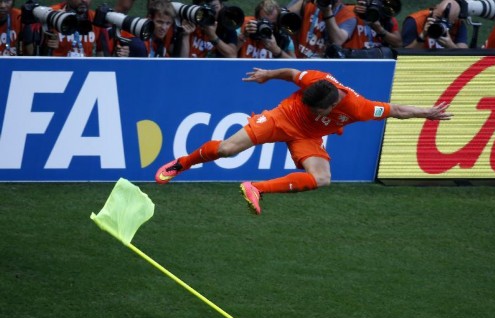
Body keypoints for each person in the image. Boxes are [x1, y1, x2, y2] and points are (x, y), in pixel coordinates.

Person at [155, 68, 452, 215]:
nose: (313, 110)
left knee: (322, 179)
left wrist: (427, 112)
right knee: (227, 149)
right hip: (282, 117)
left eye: (317, 109)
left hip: (309, 136)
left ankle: (255, 187)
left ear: (331, 106)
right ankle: (181, 164)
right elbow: (293, 73)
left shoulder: (359, 107)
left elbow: (396, 110)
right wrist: (267, 75)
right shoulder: (318, 79)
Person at [287, 0, 356, 58]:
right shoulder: (308, 4)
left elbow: (338, 40)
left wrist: (327, 11)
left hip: (326, 62)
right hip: (299, 58)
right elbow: (285, 19)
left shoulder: (347, 16)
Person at [402, 0, 468, 49]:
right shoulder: (415, 21)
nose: (439, 22)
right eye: (437, 17)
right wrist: (422, 36)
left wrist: (450, 45)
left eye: (446, 21)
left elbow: (465, 55)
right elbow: (404, 54)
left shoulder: (459, 24)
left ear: (454, 20)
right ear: (435, 8)